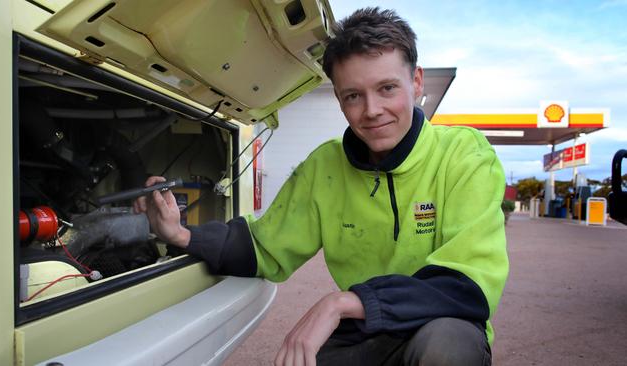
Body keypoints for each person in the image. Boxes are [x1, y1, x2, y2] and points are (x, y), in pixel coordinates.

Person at [134, 7, 508, 366]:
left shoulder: (465, 156)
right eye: (353, 96)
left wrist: (340, 304)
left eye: (387, 88)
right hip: (366, 331)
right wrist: (182, 235)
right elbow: (266, 246)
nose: (372, 110)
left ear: (416, 81)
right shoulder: (324, 166)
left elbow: (466, 284)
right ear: (339, 99)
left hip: (440, 324)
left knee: (446, 350)